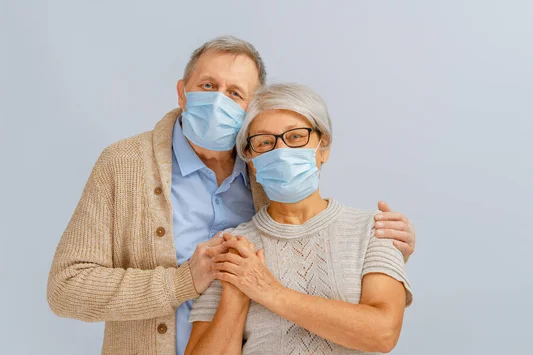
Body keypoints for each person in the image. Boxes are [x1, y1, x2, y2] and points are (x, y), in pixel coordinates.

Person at [47, 36, 416, 355]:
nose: (219, 101)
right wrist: (183, 281)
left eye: (236, 93)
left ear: (250, 109)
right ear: (182, 91)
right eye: (208, 86)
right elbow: (65, 288)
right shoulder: (124, 164)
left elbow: (307, 235)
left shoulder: (265, 166)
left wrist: (382, 249)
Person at [186, 83, 413, 355]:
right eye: (265, 142)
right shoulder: (234, 247)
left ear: (323, 148)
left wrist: (269, 291)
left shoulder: (374, 230)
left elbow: (383, 333)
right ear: (252, 160)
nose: (280, 151)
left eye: (295, 137)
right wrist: (236, 295)